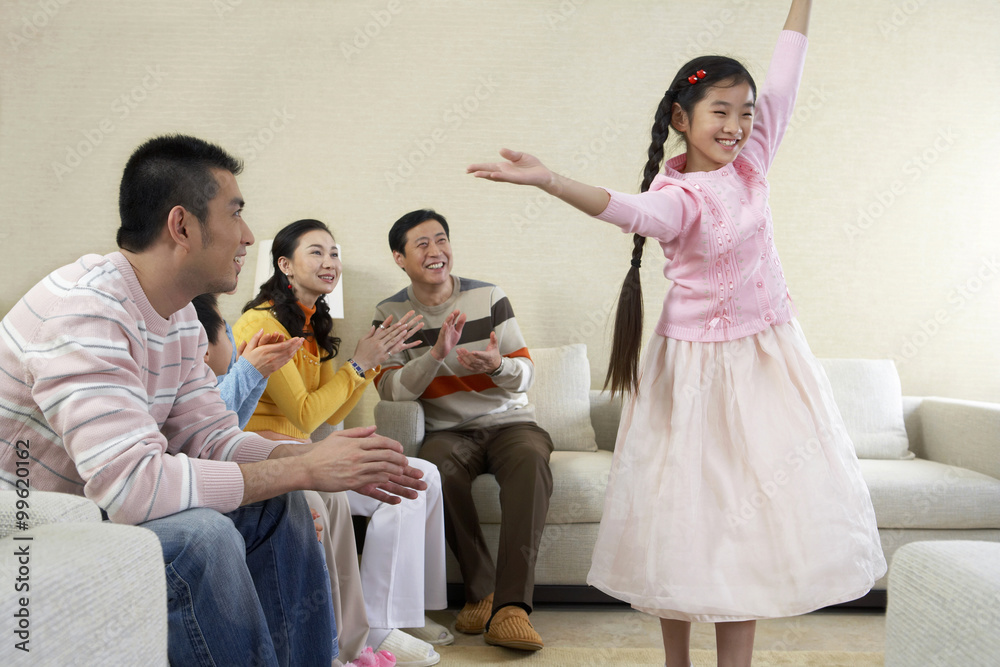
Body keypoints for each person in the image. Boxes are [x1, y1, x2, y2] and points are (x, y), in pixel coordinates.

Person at [466, 2, 887, 665]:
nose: (738, 124)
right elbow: (624, 207)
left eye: (744, 111)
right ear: (681, 120)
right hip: (692, 373)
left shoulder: (753, 161)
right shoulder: (678, 199)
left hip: (767, 360)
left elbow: (786, 75)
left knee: (745, 530)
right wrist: (548, 179)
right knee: (686, 522)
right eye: (721, 111)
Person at [0, 135, 425, 666]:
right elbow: (132, 487)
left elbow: (211, 438)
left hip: (98, 497)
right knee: (202, 537)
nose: (249, 237)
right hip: (28, 512)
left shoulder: (178, 315)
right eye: (236, 214)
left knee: (280, 503)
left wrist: (316, 461)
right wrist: (305, 467)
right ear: (182, 226)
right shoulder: (87, 311)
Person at [233, 218, 448, 667]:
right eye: (316, 252)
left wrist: (366, 365)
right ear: (285, 265)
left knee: (419, 476)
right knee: (387, 480)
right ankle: (364, 631)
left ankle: (389, 617)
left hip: (306, 450)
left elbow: (327, 415)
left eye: (334, 253)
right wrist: (357, 363)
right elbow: (305, 414)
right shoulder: (261, 323)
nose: (330, 262)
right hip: (269, 458)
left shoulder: (309, 325)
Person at [373, 209, 555, 652]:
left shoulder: (489, 297)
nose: (436, 252)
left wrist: (499, 365)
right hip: (450, 432)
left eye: (441, 240)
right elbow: (391, 389)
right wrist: (435, 354)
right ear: (400, 258)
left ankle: (512, 608)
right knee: (435, 467)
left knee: (532, 460)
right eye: (422, 244)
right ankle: (482, 592)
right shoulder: (390, 314)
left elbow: (526, 372)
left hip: (510, 423)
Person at [191, 292, 302, 428]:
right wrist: (248, 370)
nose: (232, 337)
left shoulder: (209, 384)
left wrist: (257, 376)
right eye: (226, 332)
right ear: (203, 348)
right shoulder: (190, 401)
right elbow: (207, 424)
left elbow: (232, 427)